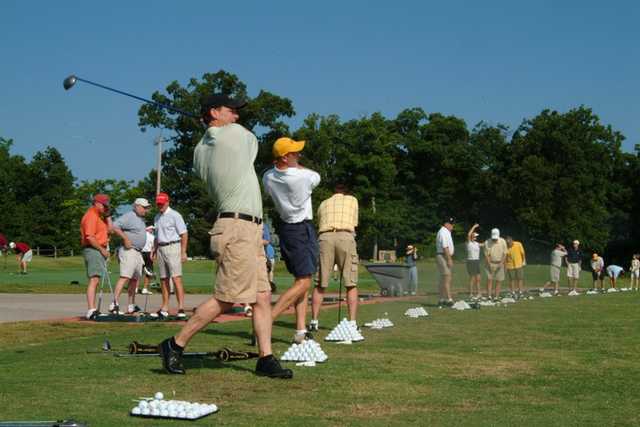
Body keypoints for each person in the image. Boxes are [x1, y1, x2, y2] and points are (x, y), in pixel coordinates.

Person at [158, 93, 291, 379]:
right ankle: (174, 344)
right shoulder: (234, 135)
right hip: (238, 228)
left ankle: (265, 358)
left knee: (262, 296)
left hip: (246, 227)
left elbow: (216, 141)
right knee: (228, 298)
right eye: (232, 111)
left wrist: (211, 125)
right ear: (215, 112)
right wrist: (219, 126)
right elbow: (253, 144)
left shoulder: (199, 150)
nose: (237, 116)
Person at [263, 137, 321, 344]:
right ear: (285, 157)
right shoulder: (303, 177)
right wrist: (296, 166)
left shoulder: (268, 177)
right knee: (305, 281)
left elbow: (273, 175)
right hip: (301, 229)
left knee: (301, 280)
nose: (299, 155)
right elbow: (316, 176)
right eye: (295, 153)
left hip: (286, 228)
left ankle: (300, 331)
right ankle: (267, 320)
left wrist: (289, 164)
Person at [310, 183, 359, 332]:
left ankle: (314, 321)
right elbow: (354, 223)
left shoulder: (323, 203)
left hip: (325, 238)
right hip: (345, 235)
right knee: (350, 283)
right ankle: (352, 323)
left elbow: (319, 221)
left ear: (333, 193)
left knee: (320, 283)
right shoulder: (352, 200)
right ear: (345, 192)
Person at [150, 192, 188, 319]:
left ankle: (181, 307)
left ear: (167, 202)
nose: (160, 206)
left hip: (173, 247)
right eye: (158, 204)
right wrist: (154, 250)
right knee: (163, 279)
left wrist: (183, 252)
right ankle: (165, 307)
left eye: (162, 203)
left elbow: (184, 234)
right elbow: (156, 236)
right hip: (161, 248)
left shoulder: (175, 215)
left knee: (176, 278)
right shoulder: (156, 217)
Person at [110, 198, 151, 314]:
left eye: (147, 208)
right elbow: (115, 226)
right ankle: (114, 304)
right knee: (125, 276)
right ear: (136, 206)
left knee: (135, 279)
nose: (146, 210)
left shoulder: (140, 219)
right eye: (144, 207)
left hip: (138, 252)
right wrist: (125, 238)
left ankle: (131, 305)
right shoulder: (129, 216)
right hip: (129, 251)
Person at [80, 194, 111, 320]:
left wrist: (108, 216)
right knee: (94, 279)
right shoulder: (91, 216)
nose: (105, 207)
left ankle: (93, 309)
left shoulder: (99, 216)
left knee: (96, 279)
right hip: (93, 249)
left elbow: (110, 230)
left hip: (97, 249)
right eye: (104, 205)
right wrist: (102, 249)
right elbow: (90, 237)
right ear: (96, 203)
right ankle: (91, 309)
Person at [483, 228, 507, 300]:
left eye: (496, 238)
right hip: (490, 263)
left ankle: (496, 296)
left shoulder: (503, 241)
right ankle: (489, 296)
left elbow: (505, 254)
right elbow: (487, 255)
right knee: (489, 280)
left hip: (500, 263)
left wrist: (501, 263)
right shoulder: (487, 242)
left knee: (498, 281)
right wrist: (489, 263)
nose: (494, 239)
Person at [435, 217, 455, 306]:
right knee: (447, 277)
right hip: (443, 255)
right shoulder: (443, 232)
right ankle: (449, 299)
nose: (452, 226)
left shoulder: (446, 232)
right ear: (446, 224)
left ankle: (441, 299)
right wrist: (449, 259)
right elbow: (445, 246)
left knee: (444, 278)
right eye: (451, 224)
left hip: (444, 255)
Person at [466, 224, 482, 299]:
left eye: (476, 236)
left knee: (478, 278)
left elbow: (485, 244)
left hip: (477, 262)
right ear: (472, 237)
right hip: (471, 262)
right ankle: (471, 293)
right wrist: (474, 227)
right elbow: (469, 234)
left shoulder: (477, 244)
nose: (476, 237)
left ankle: (479, 293)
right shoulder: (469, 243)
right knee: (472, 278)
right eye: (475, 236)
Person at [140, 225, 155, 295]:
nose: (153, 230)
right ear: (149, 229)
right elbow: (153, 247)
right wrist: (153, 255)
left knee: (139, 272)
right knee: (149, 272)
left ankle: (135, 288)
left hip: (140, 253)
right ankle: (145, 289)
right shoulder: (152, 237)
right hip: (148, 254)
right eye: (152, 229)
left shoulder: (141, 235)